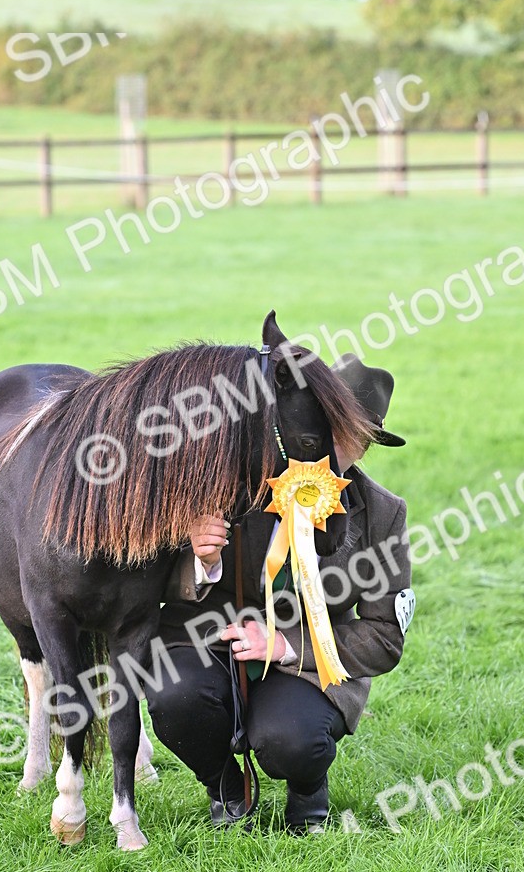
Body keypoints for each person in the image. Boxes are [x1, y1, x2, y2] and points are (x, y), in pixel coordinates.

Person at [143, 354, 414, 832]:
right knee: (174, 698)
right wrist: (201, 561)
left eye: (350, 437)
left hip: (306, 668)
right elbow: (147, 581)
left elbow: (385, 637)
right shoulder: (227, 478)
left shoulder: (383, 515)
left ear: (367, 446)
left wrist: (287, 646)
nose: (331, 445)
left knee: (294, 739)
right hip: (208, 641)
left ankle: (308, 789)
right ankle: (224, 784)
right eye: (326, 423)